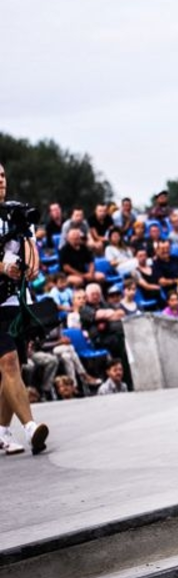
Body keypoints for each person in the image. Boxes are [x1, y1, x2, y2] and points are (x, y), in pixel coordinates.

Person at [0, 163, 49, 455]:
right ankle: (31, 427)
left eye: (3, 175)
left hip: (15, 301)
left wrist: (28, 267)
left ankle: (2, 431)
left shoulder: (16, 214)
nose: (0, 181)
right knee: (8, 363)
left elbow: (32, 256)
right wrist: (4, 267)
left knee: (11, 368)